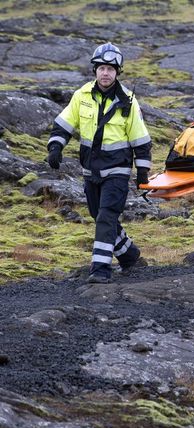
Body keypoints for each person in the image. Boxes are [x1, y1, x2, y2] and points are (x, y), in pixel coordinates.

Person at [46, 42, 152, 283]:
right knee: (99, 215)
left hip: (117, 172)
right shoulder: (81, 95)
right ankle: (129, 254)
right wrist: (55, 147)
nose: (106, 73)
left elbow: (141, 141)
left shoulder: (128, 102)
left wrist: (143, 173)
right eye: (102, 68)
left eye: (111, 69)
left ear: (117, 72)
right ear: (95, 70)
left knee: (106, 216)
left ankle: (100, 269)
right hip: (90, 171)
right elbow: (63, 124)